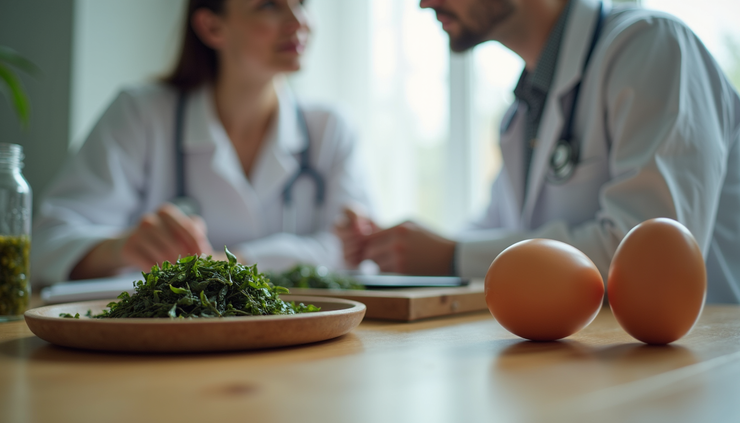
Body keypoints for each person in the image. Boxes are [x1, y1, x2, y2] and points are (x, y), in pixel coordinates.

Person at [336, 0, 740, 303]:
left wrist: (452, 257)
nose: (423, 3)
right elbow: (495, 232)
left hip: (697, 375)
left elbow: (651, 263)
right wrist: (392, 246)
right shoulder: (522, 111)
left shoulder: (652, 45)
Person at [31, 0, 372, 285]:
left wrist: (227, 262)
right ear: (212, 27)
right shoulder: (140, 113)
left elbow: (362, 253)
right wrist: (124, 248)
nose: (299, 20)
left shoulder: (330, 128)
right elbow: (45, 246)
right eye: (269, 5)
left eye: (302, 2)